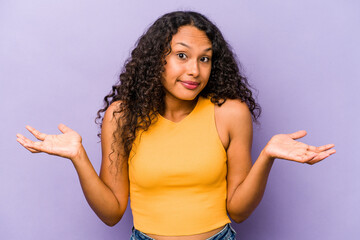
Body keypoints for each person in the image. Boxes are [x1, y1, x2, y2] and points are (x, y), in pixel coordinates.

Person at [16, 11, 336, 240]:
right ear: (158, 59)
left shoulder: (230, 114)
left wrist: (267, 157)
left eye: (205, 58)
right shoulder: (122, 116)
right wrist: (78, 157)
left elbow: (238, 211)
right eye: (182, 56)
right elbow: (112, 213)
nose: (194, 70)